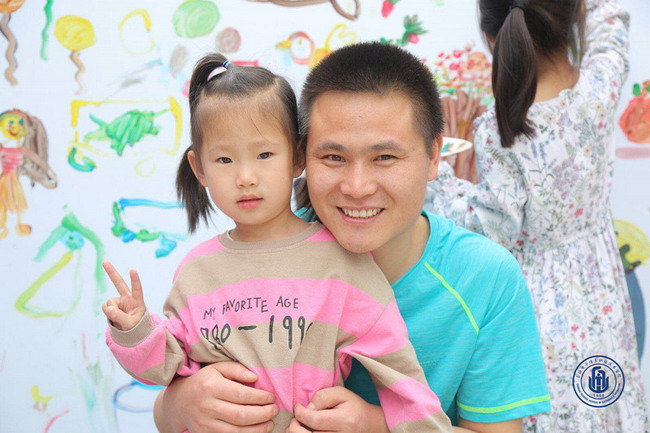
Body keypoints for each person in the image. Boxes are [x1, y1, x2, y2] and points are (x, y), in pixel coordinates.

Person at [153, 42, 551, 433]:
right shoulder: (252, 258)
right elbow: (172, 395)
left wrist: (376, 427)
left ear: (434, 156)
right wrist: (178, 405)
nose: (357, 187)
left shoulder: (486, 278)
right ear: (301, 157)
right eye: (333, 157)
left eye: (384, 157)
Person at [102, 53, 452, 433]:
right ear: (199, 168)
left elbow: (400, 373)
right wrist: (135, 329)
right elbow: (168, 366)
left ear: (297, 157)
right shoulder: (196, 271)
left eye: (265, 154)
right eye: (224, 160)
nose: (246, 177)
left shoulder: (341, 264)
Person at [427, 0, 649, 431]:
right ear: (570, 18)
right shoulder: (599, 86)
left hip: (532, 306)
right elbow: (611, 20)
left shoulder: (502, 129)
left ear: (493, 38)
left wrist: (440, 175)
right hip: (601, 290)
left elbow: (493, 227)